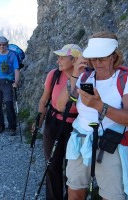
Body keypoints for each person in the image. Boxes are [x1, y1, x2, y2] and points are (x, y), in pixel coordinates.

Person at [59, 31, 128, 200]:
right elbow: (66, 105)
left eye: (102, 58)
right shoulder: (85, 76)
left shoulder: (126, 78)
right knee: (74, 191)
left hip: (109, 143)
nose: (97, 63)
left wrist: (99, 106)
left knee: (112, 196)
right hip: (80, 140)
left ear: (114, 56)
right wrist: (75, 74)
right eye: (93, 58)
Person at [33, 44, 82, 200]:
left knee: (71, 168)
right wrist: (39, 120)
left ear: (74, 60)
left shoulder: (84, 78)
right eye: (58, 56)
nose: (58, 60)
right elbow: (44, 99)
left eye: (62, 57)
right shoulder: (53, 75)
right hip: (53, 122)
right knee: (52, 165)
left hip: (75, 126)